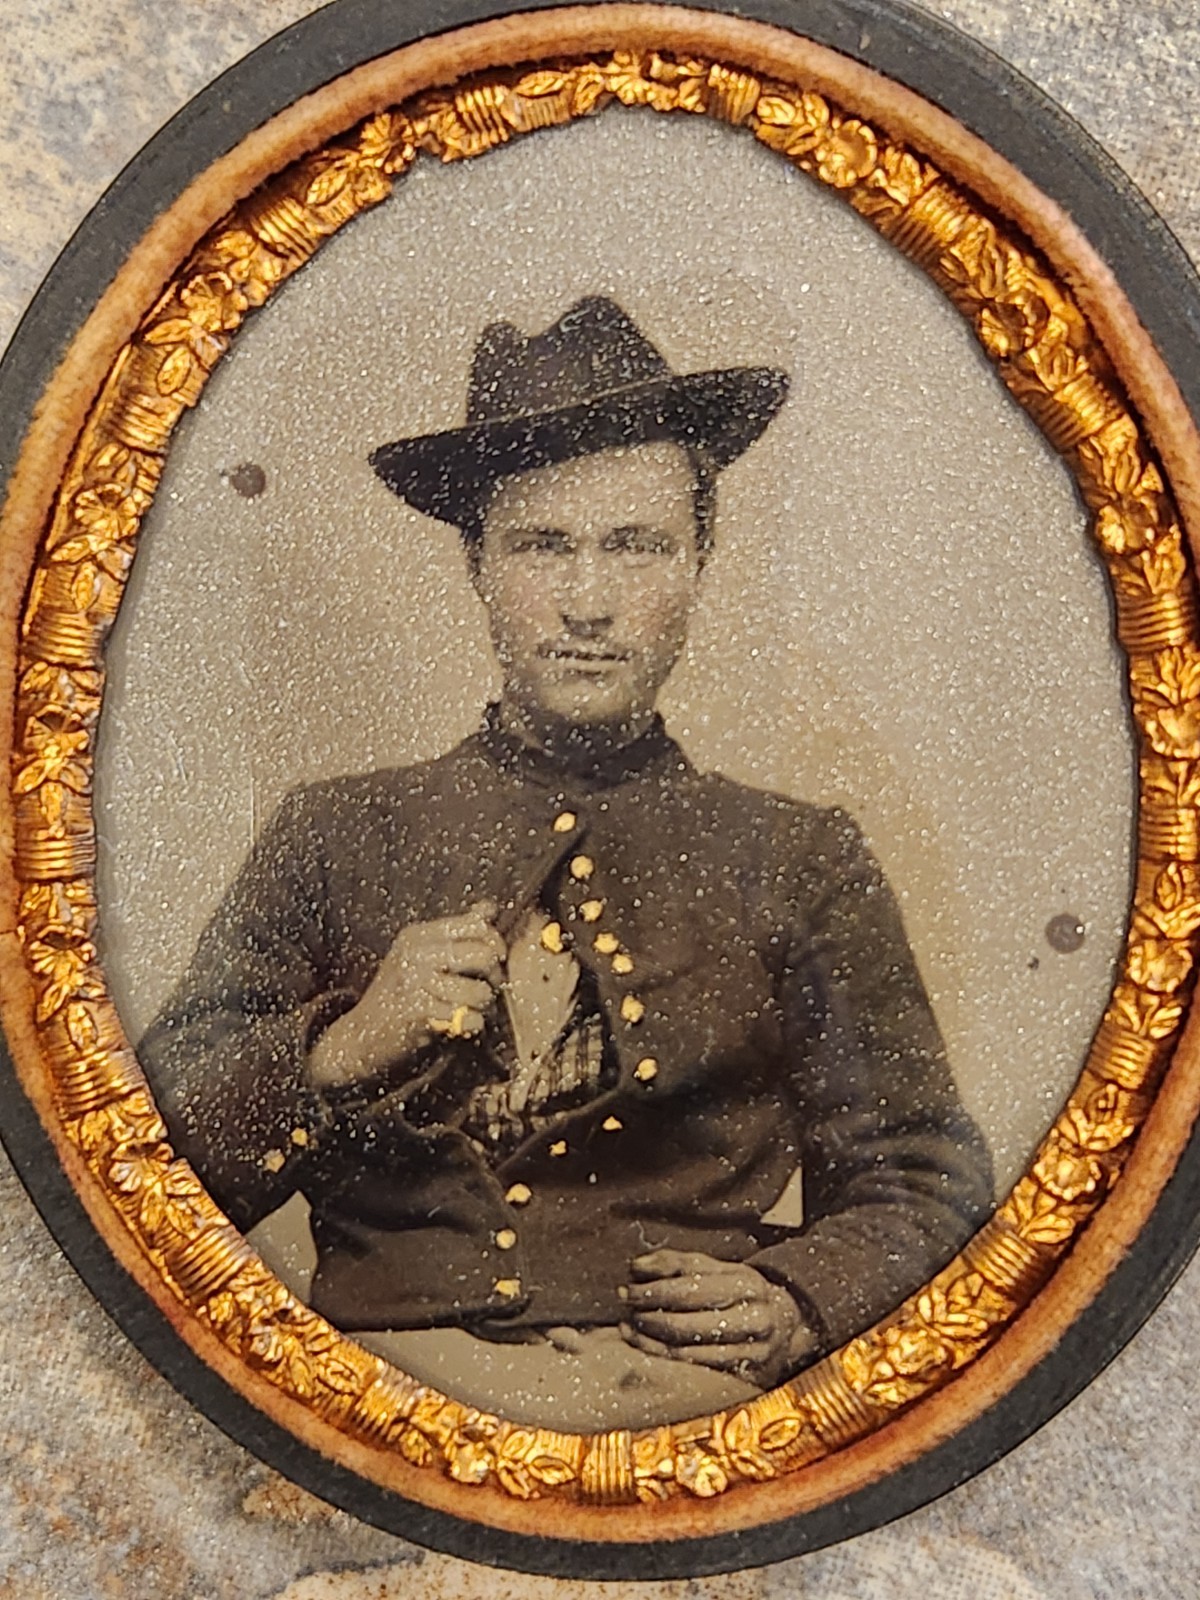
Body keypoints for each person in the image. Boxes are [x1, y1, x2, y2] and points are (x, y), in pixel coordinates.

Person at [141, 296, 993, 1430]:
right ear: (477, 564)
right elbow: (135, 1172)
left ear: (698, 564)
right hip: (371, 1405)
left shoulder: (799, 857)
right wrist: (340, 1050)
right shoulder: (330, 833)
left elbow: (923, 1175)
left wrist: (799, 1300)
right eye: (543, 545)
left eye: (635, 545)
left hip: (682, 1409)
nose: (588, 602)